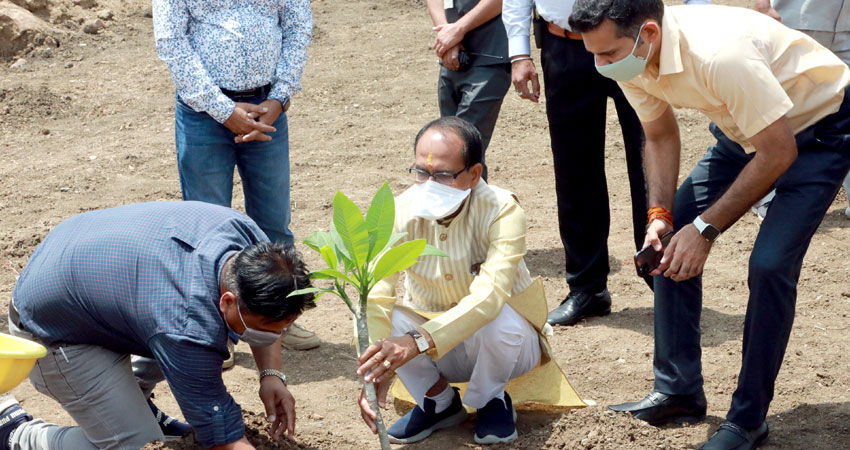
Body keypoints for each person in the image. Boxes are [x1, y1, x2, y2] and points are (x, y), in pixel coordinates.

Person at [568, 1, 850, 449]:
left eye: (608, 54)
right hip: (745, 130)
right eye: (593, 53)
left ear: (649, 34)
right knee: (670, 236)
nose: (599, 65)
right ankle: (677, 390)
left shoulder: (720, 53)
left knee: (770, 265)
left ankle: (747, 419)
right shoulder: (632, 59)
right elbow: (659, 134)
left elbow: (778, 153)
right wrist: (660, 217)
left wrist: (706, 229)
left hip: (819, 131)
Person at [0, 201, 317, 450]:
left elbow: (265, 317)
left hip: (89, 281)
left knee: (185, 335)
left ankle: (134, 406)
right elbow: (223, 439)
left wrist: (271, 375)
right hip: (50, 333)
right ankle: (17, 433)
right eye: (266, 327)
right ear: (228, 301)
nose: (273, 337)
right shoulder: (185, 323)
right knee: (139, 446)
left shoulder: (254, 247)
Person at [354, 117, 585, 445]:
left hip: (506, 345)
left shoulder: (502, 210)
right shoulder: (399, 211)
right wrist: (375, 368)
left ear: (474, 174)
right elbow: (376, 289)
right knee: (379, 312)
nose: (429, 184)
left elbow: (489, 296)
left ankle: (492, 399)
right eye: (422, 172)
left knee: (498, 317)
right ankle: (438, 403)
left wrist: (418, 340)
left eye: (444, 175)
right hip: (437, 350)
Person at [152, 0, 320, 351]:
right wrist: (223, 110)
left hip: (267, 107)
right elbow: (171, 42)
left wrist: (280, 97)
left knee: (273, 223)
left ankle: (279, 319)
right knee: (206, 228)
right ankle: (212, 331)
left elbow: (298, 25)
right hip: (203, 114)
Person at [501, 0, 650, 328]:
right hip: (564, 46)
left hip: (633, 42)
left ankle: (664, 279)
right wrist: (519, 53)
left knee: (650, 163)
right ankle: (587, 287)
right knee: (575, 173)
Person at [753, 0, 850, 219]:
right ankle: (767, 197)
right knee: (786, 109)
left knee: (846, 108)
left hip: (845, 22)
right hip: (797, 17)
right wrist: (763, 5)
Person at [428, 0, 510, 180]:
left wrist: (457, 30)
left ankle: (473, 207)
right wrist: (446, 34)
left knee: (462, 148)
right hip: (451, 54)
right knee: (452, 145)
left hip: (490, 54)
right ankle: (463, 206)